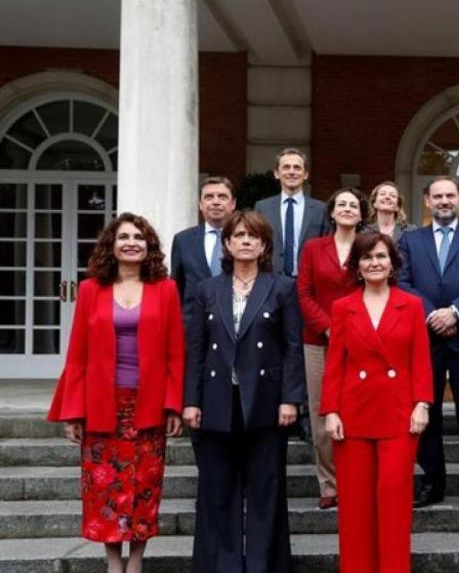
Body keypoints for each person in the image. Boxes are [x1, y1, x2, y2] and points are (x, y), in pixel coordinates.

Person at [48, 212, 184, 573]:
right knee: (105, 488)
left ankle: (136, 561)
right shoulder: (92, 289)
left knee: (144, 486)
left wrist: (174, 405)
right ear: (112, 245)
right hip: (102, 405)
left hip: (149, 405)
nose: (131, 243)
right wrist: (73, 411)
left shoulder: (165, 289)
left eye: (139, 237)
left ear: (148, 246)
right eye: (124, 236)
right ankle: (112, 563)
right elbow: (77, 354)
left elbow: (175, 352)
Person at [183, 210, 306, 573]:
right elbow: (196, 348)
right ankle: (223, 565)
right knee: (218, 490)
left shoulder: (282, 287)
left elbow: (292, 346)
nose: (246, 241)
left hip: (267, 403)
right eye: (238, 235)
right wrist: (190, 400)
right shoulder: (208, 288)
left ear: (265, 244)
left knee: (266, 489)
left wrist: (290, 398)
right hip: (217, 401)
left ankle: (262, 566)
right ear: (227, 243)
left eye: (253, 236)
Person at [321, 231, 433, 573]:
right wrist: (331, 411)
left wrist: (422, 404)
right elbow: (335, 363)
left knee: (394, 501)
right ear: (356, 266)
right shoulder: (343, 307)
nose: (374, 263)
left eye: (381, 256)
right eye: (367, 258)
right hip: (353, 414)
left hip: (399, 414)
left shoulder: (411, 304)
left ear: (392, 263)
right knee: (355, 505)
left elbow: (420, 358)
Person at [398, 176, 459, 509]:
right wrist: (433, 316)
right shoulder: (410, 240)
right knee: (428, 414)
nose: (444, 201)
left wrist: (454, 312)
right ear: (426, 200)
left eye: (450, 196)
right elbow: (403, 282)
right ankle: (432, 483)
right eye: (437, 196)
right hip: (425, 341)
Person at [296, 187, 367, 510]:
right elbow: (304, 292)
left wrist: (352, 330)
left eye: (353, 205)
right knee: (322, 410)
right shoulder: (313, 248)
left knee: (356, 410)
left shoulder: (368, 248)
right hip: (318, 340)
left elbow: (378, 288)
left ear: (362, 214)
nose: (348, 209)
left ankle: (355, 479)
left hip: (361, 340)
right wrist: (327, 326)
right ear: (332, 212)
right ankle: (328, 483)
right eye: (342, 204)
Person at [171, 176, 237, 326]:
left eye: (222, 197)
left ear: (233, 203)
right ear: (200, 204)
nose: (215, 202)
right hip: (194, 326)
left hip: (234, 324)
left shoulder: (245, 240)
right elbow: (177, 289)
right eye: (209, 197)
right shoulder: (183, 240)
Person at [254, 147, 329, 277]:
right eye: (286, 167)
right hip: (270, 281)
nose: (292, 172)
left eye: (297, 167)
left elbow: (326, 247)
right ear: (276, 173)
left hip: (308, 281)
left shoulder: (321, 209)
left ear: (306, 174)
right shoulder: (262, 208)